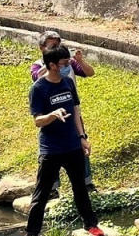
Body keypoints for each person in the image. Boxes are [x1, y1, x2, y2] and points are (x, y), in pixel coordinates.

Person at [25, 46, 103, 236]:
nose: (68, 66)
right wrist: (53, 115)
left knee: (80, 188)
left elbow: (76, 111)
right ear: (51, 65)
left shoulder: (68, 82)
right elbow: (37, 121)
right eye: (64, 63)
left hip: (72, 146)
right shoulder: (39, 88)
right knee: (41, 193)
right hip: (51, 149)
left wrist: (82, 137)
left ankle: (91, 225)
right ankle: (32, 235)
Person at [31, 30, 96, 191]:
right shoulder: (39, 67)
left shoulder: (68, 67)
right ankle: (51, 187)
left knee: (81, 142)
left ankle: (85, 182)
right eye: (53, 45)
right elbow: (36, 79)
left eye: (59, 44)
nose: (57, 48)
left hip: (71, 109)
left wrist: (79, 61)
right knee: (49, 152)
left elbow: (90, 73)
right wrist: (50, 66)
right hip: (50, 114)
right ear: (42, 48)